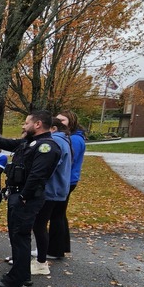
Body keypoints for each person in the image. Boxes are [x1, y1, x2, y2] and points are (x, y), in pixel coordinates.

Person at [0, 112, 62, 287]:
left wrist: (23, 197)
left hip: (25, 198)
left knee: (20, 236)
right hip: (18, 196)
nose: (23, 126)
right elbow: (3, 142)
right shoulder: (28, 142)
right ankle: (23, 275)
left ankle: (15, 280)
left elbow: (37, 176)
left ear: (38, 124)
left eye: (26, 123)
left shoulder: (46, 146)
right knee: (17, 237)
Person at [30, 122, 72, 276]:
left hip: (49, 191)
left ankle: (41, 262)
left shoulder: (56, 142)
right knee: (41, 225)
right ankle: (41, 257)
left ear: (53, 128)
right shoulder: (64, 140)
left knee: (39, 225)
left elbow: (48, 167)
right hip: (56, 191)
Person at [48, 110, 86, 259]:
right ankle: (61, 247)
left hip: (66, 181)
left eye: (62, 120)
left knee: (56, 214)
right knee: (59, 214)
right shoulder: (71, 138)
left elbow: (67, 161)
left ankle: (55, 250)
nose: (58, 123)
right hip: (67, 180)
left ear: (71, 122)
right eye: (56, 120)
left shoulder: (74, 140)